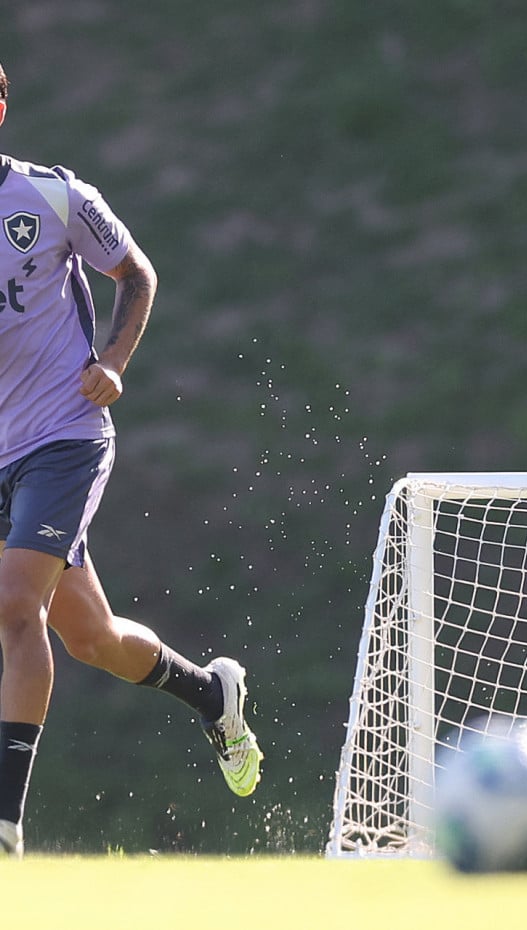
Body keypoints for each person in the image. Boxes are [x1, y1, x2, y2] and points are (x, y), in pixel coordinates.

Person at [0, 62, 262, 858]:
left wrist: (113, 359)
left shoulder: (51, 197)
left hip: (64, 437)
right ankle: (210, 692)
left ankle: (3, 824)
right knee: (92, 637)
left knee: (16, 610)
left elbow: (136, 272)